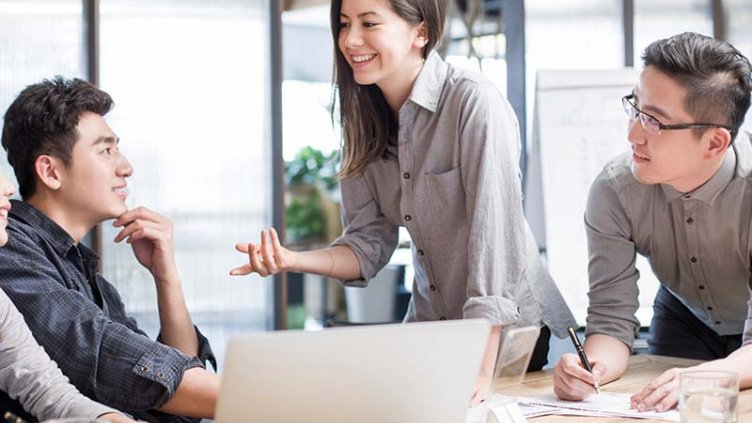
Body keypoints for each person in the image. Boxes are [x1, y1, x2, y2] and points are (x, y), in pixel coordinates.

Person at [230, 0, 575, 404]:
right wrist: (293, 261)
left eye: (369, 23)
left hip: (519, 343)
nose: (350, 40)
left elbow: (493, 239)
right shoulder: (361, 120)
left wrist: (480, 370)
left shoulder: (473, 103)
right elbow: (366, 246)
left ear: (421, 32)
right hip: (437, 336)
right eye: (343, 24)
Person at [0, 77, 220, 422]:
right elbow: (95, 351)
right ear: (50, 171)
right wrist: (253, 400)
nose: (125, 167)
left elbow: (178, 404)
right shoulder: (8, 245)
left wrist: (166, 278)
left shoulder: (90, 279)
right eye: (106, 150)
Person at [552, 32, 752, 412]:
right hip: (684, 318)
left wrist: (708, 376)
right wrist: (588, 369)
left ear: (714, 143)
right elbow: (610, 320)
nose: (632, 134)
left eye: (654, 122)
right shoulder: (615, 190)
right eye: (635, 108)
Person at [0, 171, 137, 423]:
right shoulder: (18, 256)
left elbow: (48, 391)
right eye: (105, 150)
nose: (8, 187)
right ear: (50, 172)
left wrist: (109, 419)